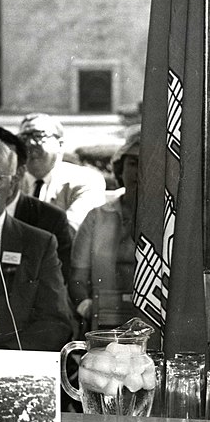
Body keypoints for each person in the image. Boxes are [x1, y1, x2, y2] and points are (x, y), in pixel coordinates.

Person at [0, 138, 72, 350]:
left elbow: (55, 322)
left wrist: (9, 359)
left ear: (13, 185)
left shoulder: (38, 244)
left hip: (10, 358)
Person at [69, 129, 145, 330]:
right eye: (133, 163)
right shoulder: (96, 217)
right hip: (103, 322)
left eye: (147, 162)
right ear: (120, 169)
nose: (139, 171)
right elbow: (77, 278)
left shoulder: (169, 222)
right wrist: (87, 308)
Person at [18, 113, 106, 232]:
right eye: (24, 137)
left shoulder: (85, 180)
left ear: (60, 144)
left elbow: (71, 229)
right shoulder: (10, 181)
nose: (30, 143)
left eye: (38, 136)